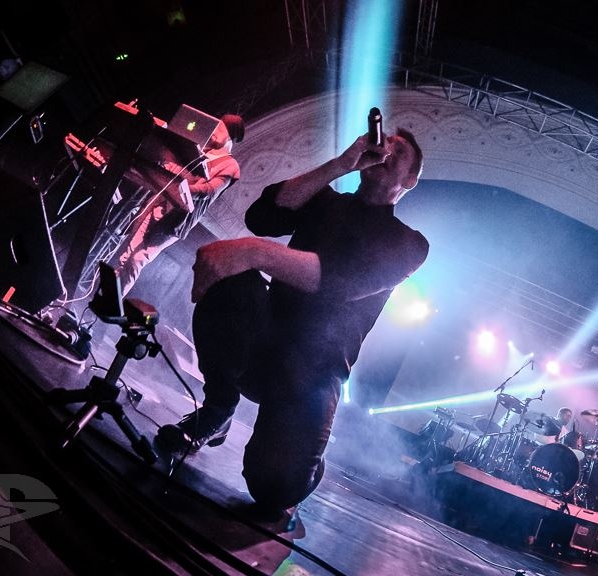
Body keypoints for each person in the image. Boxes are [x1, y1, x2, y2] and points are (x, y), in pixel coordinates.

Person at [155, 126, 428, 513]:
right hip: (264, 339)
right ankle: (217, 408)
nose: (386, 152)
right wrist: (340, 164)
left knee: (274, 490)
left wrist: (254, 252)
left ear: (411, 180)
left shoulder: (409, 244)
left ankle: (308, 455)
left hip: (313, 374)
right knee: (233, 281)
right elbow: (262, 217)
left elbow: (338, 281)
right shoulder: (325, 201)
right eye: (385, 144)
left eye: (398, 154)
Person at [113, 113, 245, 296]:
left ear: (230, 137)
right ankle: (105, 297)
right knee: (126, 255)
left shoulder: (230, 166)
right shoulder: (200, 149)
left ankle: (113, 301)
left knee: (138, 258)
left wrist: (181, 188)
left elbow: (208, 190)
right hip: (158, 203)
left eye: (220, 128)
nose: (214, 131)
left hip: (176, 219)